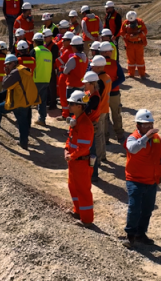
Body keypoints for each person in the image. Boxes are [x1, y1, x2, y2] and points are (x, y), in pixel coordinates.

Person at [123, 109, 161, 249]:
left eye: (150, 124)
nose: (149, 127)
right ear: (138, 126)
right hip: (135, 180)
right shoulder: (132, 138)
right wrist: (146, 137)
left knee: (147, 209)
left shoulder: (156, 138)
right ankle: (130, 236)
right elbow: (133, 149)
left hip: (151, 181)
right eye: (145, 125)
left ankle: (141, 234)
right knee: (134, 208)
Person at [0, 54, 40, 149]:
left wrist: (6, 74)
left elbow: (5, 85)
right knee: (23, 123)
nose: (6, 66)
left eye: (8, 64)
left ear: (13, 63)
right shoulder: (24, 70)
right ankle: (23, 143)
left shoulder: (15, 72)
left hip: (17, 101)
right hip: (25, 101)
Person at [64, 90, 96, 225]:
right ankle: (78, 211)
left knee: (83, 190)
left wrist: (71, 155)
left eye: (71, 104)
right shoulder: (77, 120)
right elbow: (70, 139)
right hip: (74, 162)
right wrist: (66, 150)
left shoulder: (84, 124)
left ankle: (87, 220)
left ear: (79, 106)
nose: (69, 106)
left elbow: (83, 147)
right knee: (73, 187)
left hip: (81, 163)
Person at [85, 61, 111, 182]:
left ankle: (99, 160)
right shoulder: (107, 78)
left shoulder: (96, 91)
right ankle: (102, 157)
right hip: (104, 108)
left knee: (98, 138)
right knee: (101, 135)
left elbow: (89, 106)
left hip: (100, 112)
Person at [100, 41, 127, 143]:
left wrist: (106, 87)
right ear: (106, 52)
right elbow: (121, 78)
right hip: (114, 93)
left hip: (103, 94)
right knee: (116, 114)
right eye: (110, 51)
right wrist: (111, 86)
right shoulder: (115, 63)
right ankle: (120, 135)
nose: (111, 53)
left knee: (105, 117)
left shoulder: (96, 64)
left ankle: (106, 138)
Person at [60, 36, 87, 119]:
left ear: (75, 47)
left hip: (72, 86)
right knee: (80, 108)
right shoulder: (85, 57)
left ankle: (72, 128)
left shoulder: (73, 59)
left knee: (72, 110)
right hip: (81, 85)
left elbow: (65, 71)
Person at [32, 32, 54, 126]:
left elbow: (30, 64)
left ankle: (25, 121)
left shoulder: (35, 51)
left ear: (35, 42)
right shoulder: (49, 52)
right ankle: (42, 119)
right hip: (46, 79)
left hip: (36, 79)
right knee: (42, 101)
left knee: (29, 100)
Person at [121, 11, 148, 78]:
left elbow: (145, 31)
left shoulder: (140, 22)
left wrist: (137, 36)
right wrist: (129, 36)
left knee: (140, 60)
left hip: (139, 44)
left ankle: (142, 74)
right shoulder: (125, 23)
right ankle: (131, 73)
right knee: (131, 60)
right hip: (130, 44)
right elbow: (122, 33)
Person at [43, 29, 61, 113]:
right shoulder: (45, 45)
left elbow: (54, 59)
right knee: (47, 86)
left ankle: (53, 103)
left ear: (50, 37)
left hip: (51, 68)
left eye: (46, 37)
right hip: (46, 68)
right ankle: (48, 101)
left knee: (52, 87)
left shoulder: (54, 46)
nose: (44, 39)